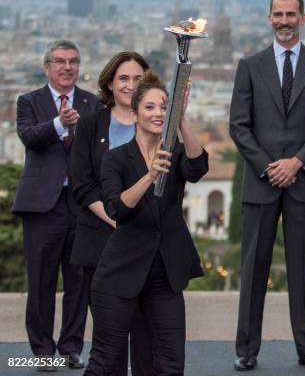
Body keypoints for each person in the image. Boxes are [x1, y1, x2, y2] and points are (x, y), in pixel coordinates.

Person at [229, 0, 305, 372]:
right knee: (253, 268)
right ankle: (246, 349)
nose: (284, 21)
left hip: (304, 181)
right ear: (268, 18)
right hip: (261, 183)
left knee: (304, 268)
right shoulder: (249, 65)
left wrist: (296, 163)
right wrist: (268, 166)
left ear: (303, 19)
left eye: (291, 14)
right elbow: (238, 126)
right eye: (278, 14)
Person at [82, 71, 208, 375]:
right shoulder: (116, 158)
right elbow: (116, 209)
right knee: (105, 361)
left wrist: (180, 119)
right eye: (150, 107)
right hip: (121, 272)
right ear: (134, 113)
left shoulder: (175, 152)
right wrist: (149, 176)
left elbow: (198, 167)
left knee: (170, 362)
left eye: (164, 107)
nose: (158, 113)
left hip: (165, 273)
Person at [13, 39, 99, 371]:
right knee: (41, 282)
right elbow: (29, 137)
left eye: (73, 61)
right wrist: (61, 124)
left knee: (79, 281)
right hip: (42, 206)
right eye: (60, 61)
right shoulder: (29, 101)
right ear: (46, 67)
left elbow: (97, 151)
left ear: (79, 66)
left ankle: (71, 347)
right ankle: (42, 351)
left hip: (80, 203)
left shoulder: (93, 103)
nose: (67, 67)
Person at [70, 51, 153, 375]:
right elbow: (81, 183)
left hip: (147, 244)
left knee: (147, 336)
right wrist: (114, 215)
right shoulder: (91, 124)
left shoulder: (157, 123)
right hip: (102, 242)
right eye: (123, 78)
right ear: (109, 82)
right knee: (109, 339)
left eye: (137, 79)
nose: (130, 85)